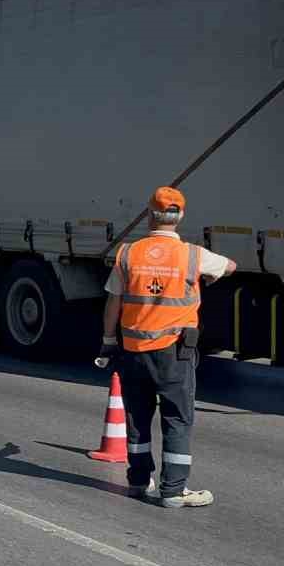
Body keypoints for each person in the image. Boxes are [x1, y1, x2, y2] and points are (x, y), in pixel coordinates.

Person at [100, 186, 235, 508]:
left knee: (137, 415)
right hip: (174, 352)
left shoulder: (128, 254)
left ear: (149, 215)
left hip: (132, 350)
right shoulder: (192, 255)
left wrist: (107, 342)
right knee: (177, 417)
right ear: (181, 216)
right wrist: (209, 276)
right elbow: (230, 266)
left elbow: (113, 303)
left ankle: (137, 481)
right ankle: (173, 490)